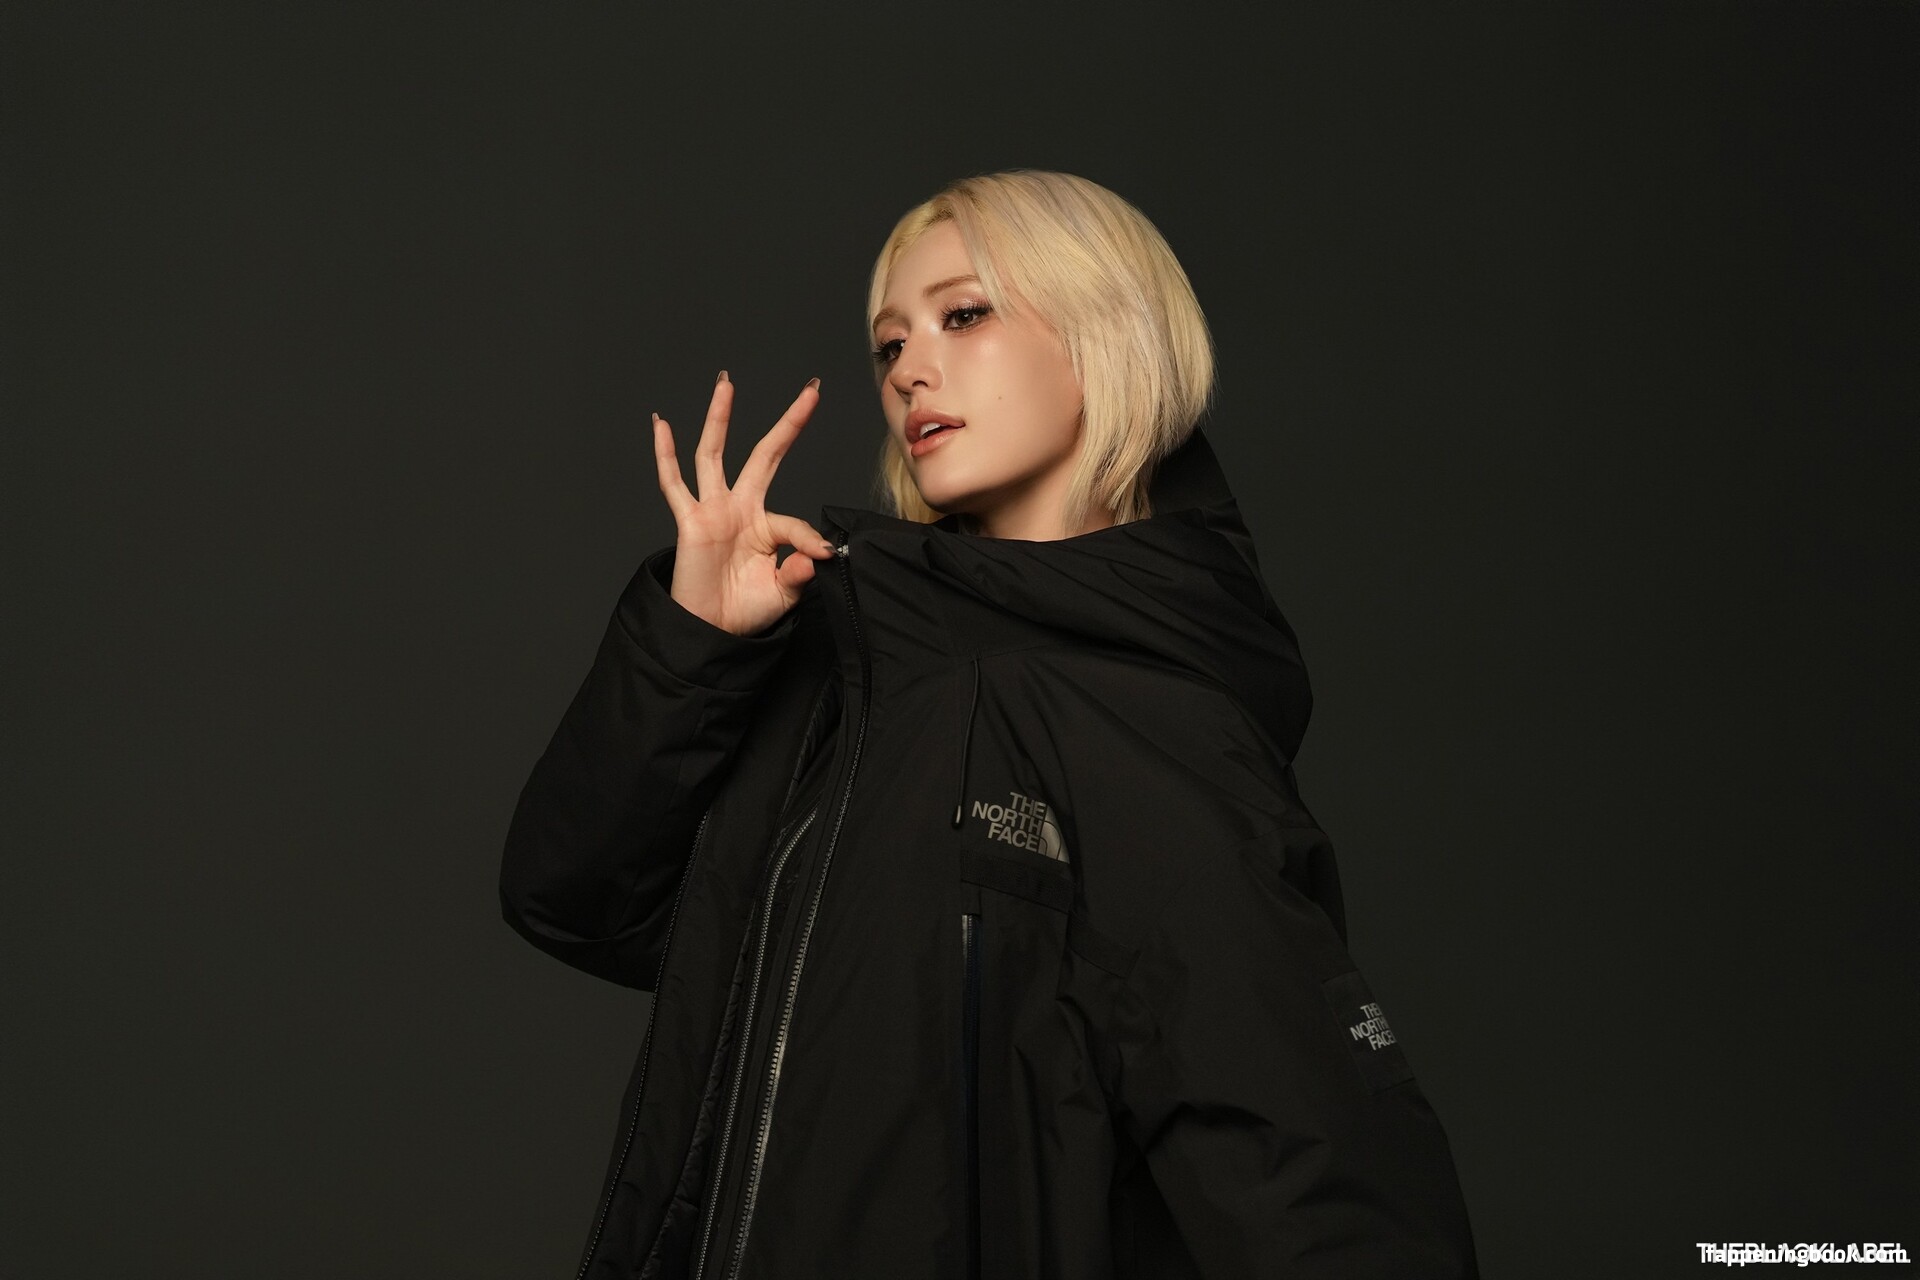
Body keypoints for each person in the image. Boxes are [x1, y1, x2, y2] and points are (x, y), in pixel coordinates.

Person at [499, 169, 1479, 1279]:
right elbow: (578, 899)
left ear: (1110, 333)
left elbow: (1310, 1176)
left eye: (963, 315)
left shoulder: (1146, 712)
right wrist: (694, 648)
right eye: (889, 343)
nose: (909, 369)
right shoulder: (848, 661)